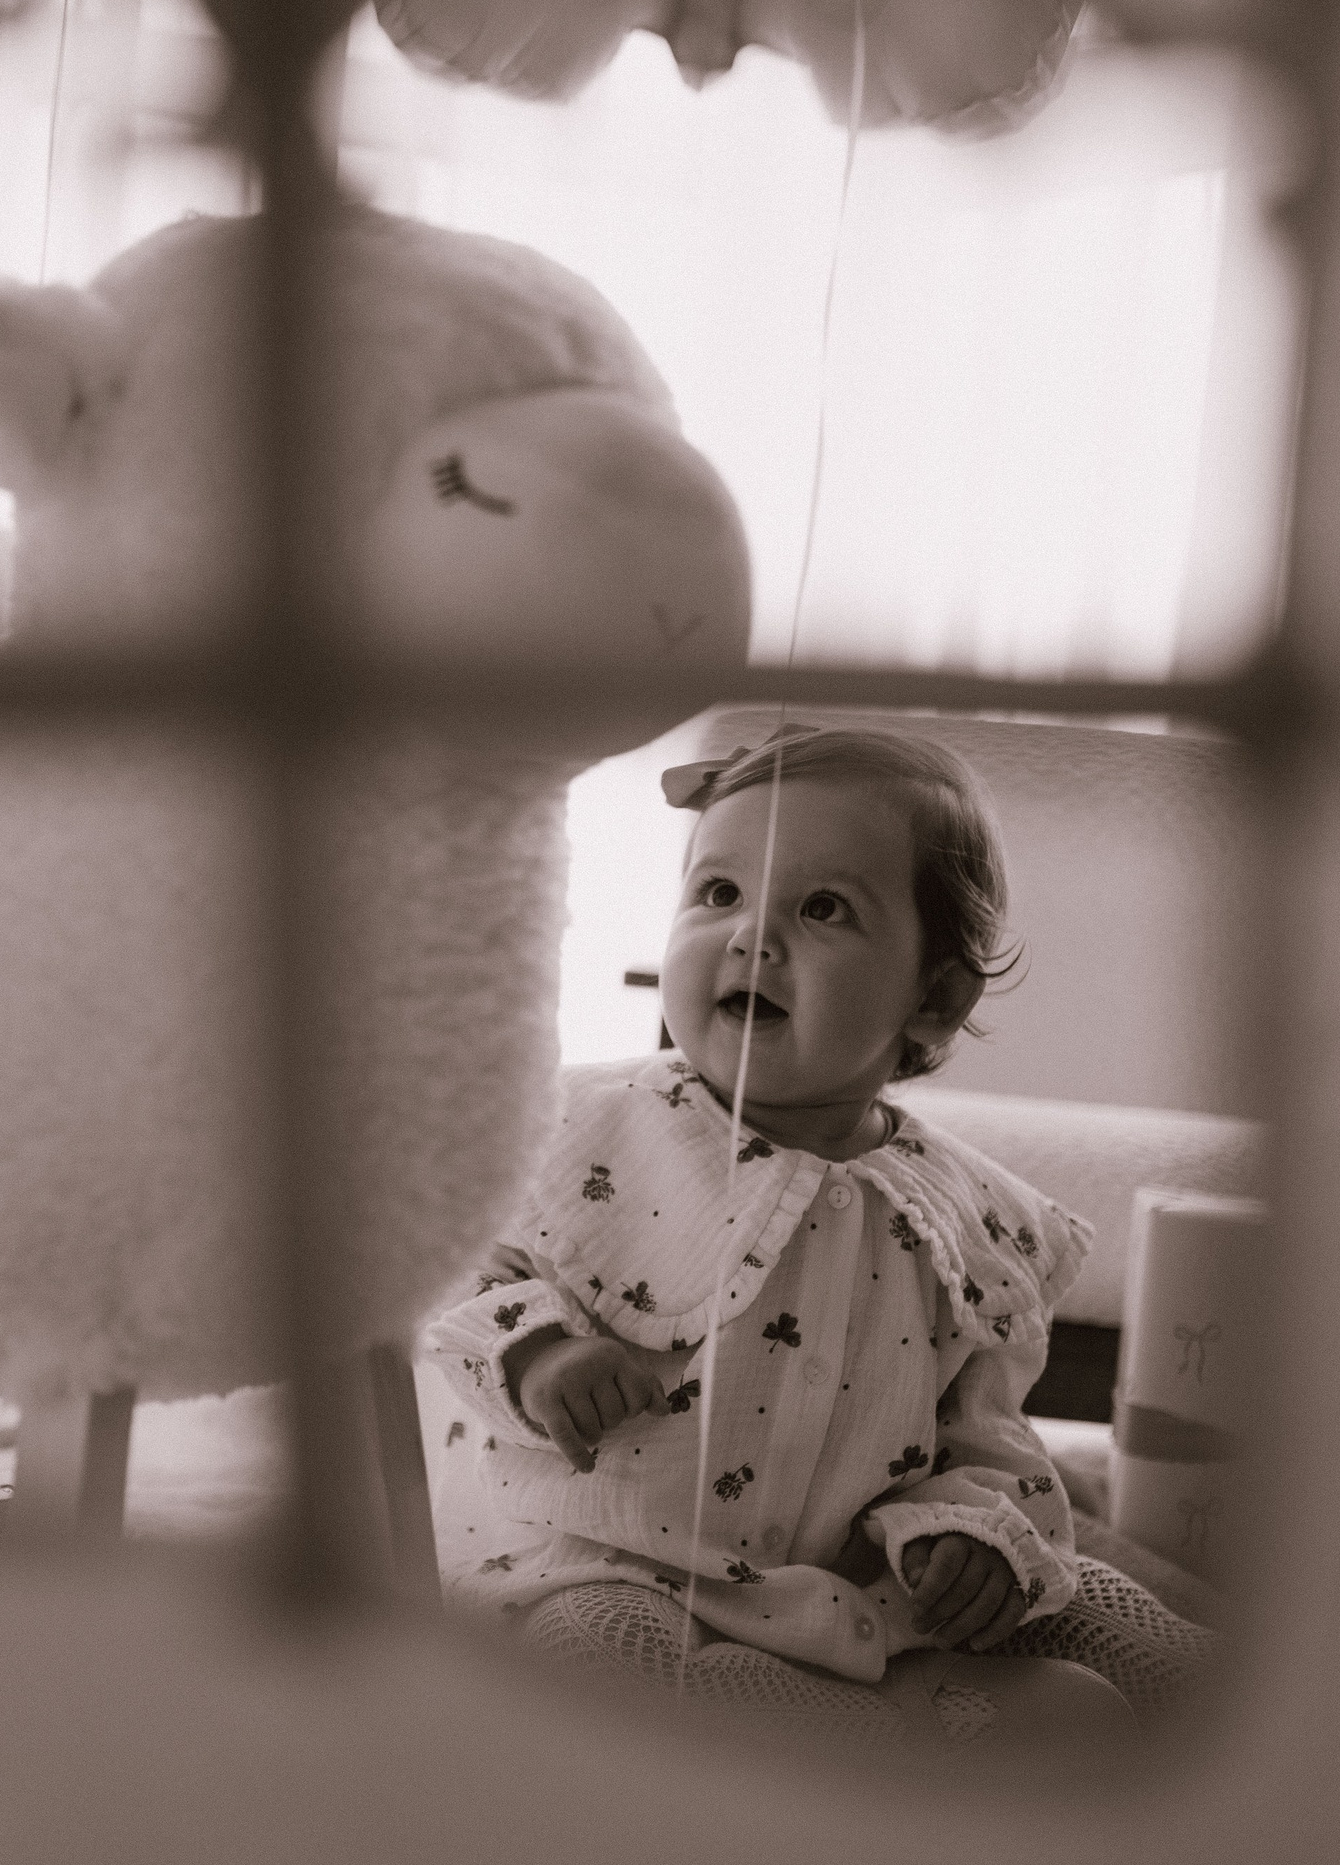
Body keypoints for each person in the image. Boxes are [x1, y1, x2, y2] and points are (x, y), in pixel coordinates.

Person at [424, 727, 1208, 1751]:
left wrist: (972, 1532)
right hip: (608, 1565)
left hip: (856, 1587)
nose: (751, 936)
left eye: (823, 908)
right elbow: (454, 1271)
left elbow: (986, 1434)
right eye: (718, 893)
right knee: (600, 1656)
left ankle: (1259, 1735)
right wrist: (537, 1355)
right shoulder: (587, 1128)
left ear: (935, 998)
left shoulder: (966, 1219)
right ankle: (896, 1741)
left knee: (1108, 1613)